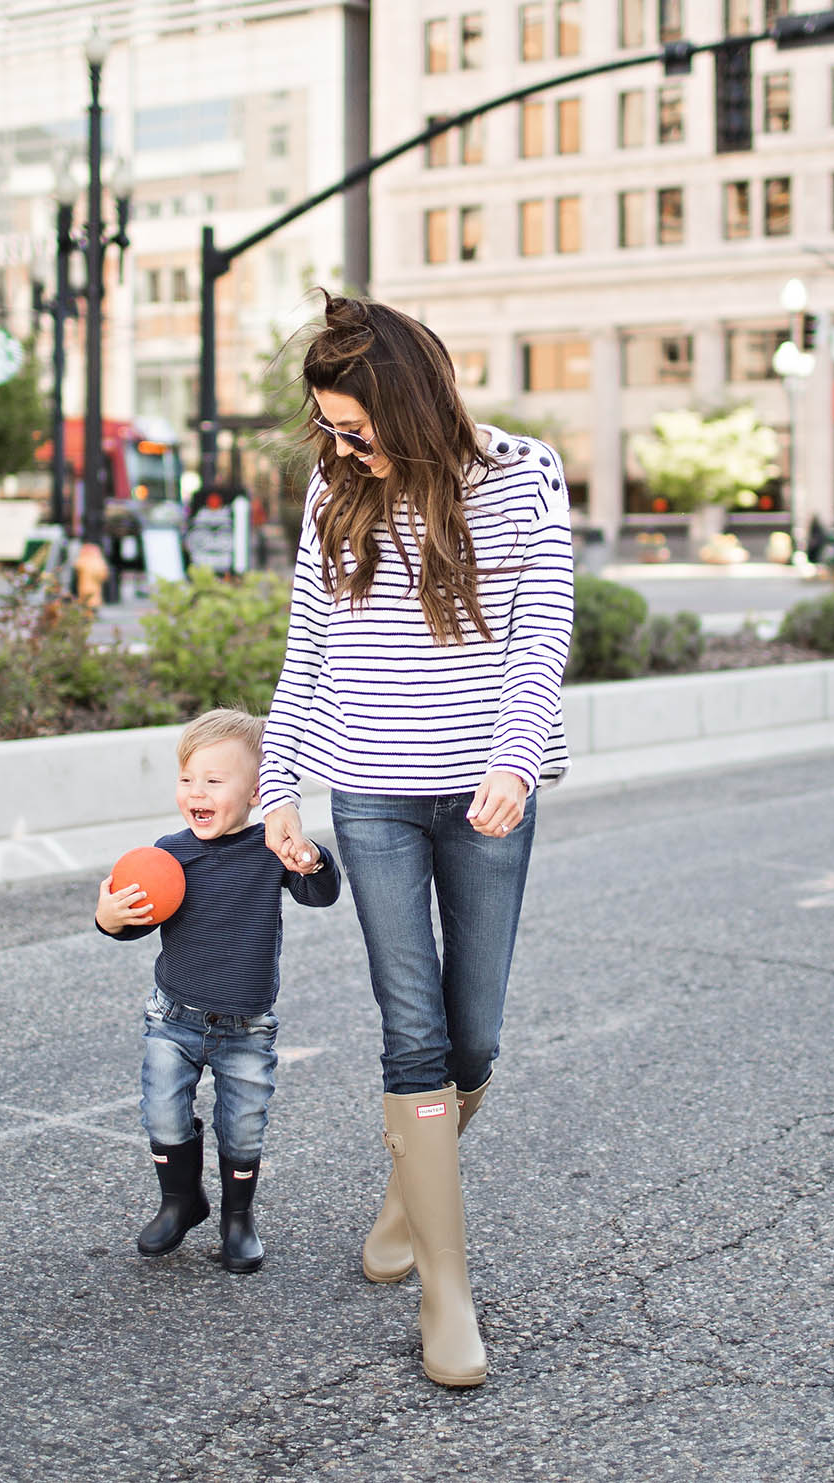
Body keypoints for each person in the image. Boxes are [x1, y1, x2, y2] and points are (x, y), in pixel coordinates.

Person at [259, 291, 574, 1387]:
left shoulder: (525, 476)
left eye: (358, 426)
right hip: (373, 796)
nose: (344, 446)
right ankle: (449, 1292)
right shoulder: (333, 488)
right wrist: (276, 789)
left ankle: (410, 1187)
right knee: (413, 1032)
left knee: (473, 1038)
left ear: (416, 401)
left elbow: (542, 635)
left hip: (487, 792)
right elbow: (305, 646)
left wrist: (514, 758)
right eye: (329, 429)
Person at [95, 708, 342, 1272]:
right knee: (161, 1111)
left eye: (213, 781)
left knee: (244, 1123)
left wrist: (312, 859)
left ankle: (238, 1218)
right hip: (172, 1017)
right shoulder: (166, 853)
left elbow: (321, 893)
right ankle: (181, 1201)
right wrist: (109, 916)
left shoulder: (269, 850)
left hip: (245, 1026)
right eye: (187, 780)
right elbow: (131, 924)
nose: (195, 792)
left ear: (257, 792)